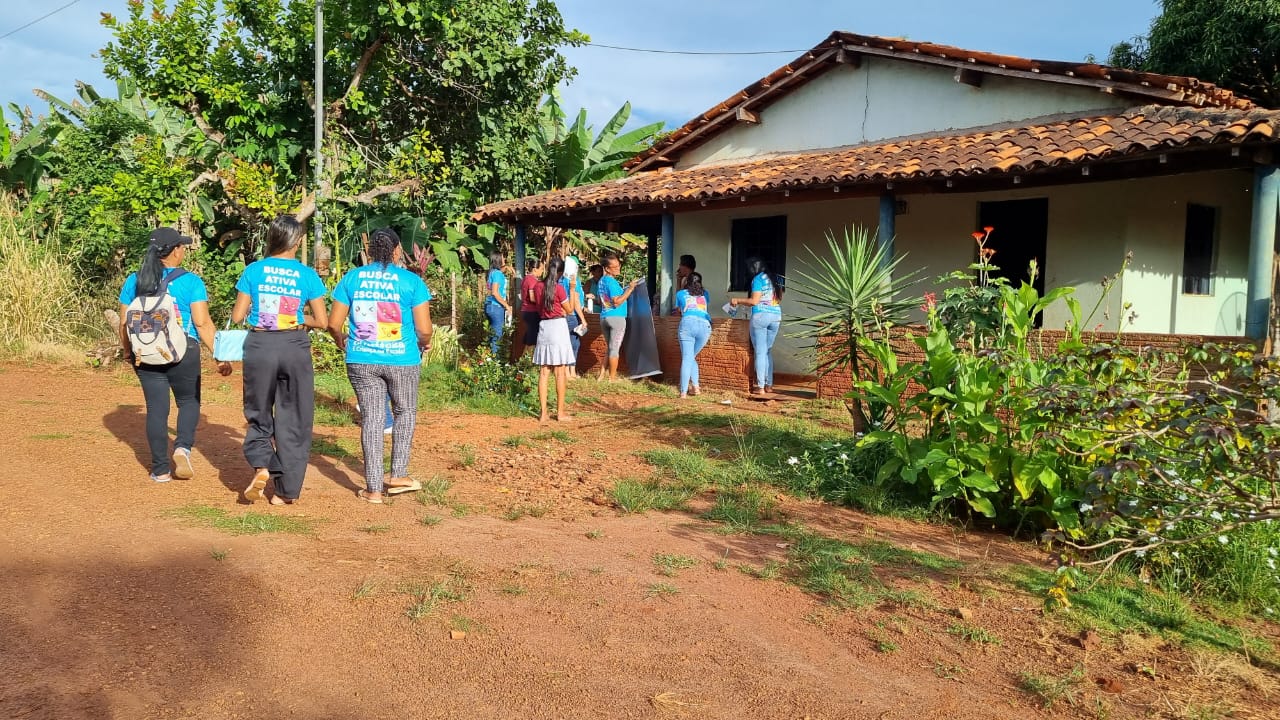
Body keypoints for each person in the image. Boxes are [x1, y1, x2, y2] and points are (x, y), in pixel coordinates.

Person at [118, 227, 232, 483]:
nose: (183, 250)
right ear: (175, 251)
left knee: (156, 411)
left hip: (146, 354)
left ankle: (160, 470)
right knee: (188, 403)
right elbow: (202, 324)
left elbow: (124, 322)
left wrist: (128, 351)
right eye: (181, 246)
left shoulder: (134, 280)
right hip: (184, 352)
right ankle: (182, 448)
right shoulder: (191, 282)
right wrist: (219, 355)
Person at [328, 228, 433, 504]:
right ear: (397, 251)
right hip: (402, 358)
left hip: (361, 359)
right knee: (405, 411)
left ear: (370, 251)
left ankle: (373, 490)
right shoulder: (412, 282)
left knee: (372, 419)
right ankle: (398, 475)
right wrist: (424, 343)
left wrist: (341, 340)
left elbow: (333, 323)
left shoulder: (351, 278)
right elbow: (424, 329)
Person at [230, 215, 329, 505]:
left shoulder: (253, 270)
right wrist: (300, 318)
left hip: (260, 345)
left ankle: (262, 465)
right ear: (297, 242)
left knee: (258, 411)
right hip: (294, 345)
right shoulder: (307, 275)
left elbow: (237, 316)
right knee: (295, 417)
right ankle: (285, 492)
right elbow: (322, 321)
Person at [730, 257, 783, 395]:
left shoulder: (758, 279)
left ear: (753, 268)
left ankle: (760, 387)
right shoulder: (776, 279)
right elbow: (779, 298)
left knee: (760, 351)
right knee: (767, 351)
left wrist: (738, 300)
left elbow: (754, 301)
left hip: (761, 316)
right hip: (776, 316)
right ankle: (769, 385)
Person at [531, 257, 575, 421]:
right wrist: (571, 289)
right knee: (560, 372)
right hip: (558, 327)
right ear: (561, 273)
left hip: (544, 328)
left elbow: (538, 308)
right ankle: (560, 412)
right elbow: (569, 310)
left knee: (544, 372)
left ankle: (543, 414)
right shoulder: (559, 288)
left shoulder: (538, 287)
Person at [596, 253, 640, 381]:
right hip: (617, 318)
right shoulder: (612, 283)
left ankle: (601, 376)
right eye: (614, 267)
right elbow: (617, 301)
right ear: (607, 269)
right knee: (614, 349)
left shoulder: (601, 281)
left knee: (610, 348)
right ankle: (612, 379)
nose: (618, 268)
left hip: (604, 317)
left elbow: (600, 300)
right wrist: (630, 289)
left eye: (618, 265)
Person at [675, 271, 711, 399]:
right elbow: (705, 309)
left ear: (687, 281)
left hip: (687, 324)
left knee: (687, 358)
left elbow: (679, 310)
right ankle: (695, 387)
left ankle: (683, 392)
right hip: (704, 326)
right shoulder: (705, 294)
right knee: (691, 357)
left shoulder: (680, 294)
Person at [560, 256, 587, 378]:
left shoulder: (561, 279)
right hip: (572, 315)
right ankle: (568, 372)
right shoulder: (572, 280)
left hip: (566, 315)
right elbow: (575, 300)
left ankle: (570, 371)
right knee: (572, 344)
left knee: (571, 343)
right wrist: (583, 318)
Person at [484, 251, 511, 356]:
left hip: (489, 306)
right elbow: (495, 292)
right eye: (503, 258)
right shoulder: (498, 274)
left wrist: (506, 268)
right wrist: (506, 305)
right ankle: (496, 362)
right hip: (496, 308)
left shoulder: (492, 272)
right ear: (498, 259)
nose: (504, 260)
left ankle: (488, 358)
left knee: (492, 334)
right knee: (497, 336)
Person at [518, 258, 543, 353]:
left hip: (526, 310)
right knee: (533, 338)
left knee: (530, 335)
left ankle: (525, 359)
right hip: (532, 311)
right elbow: (532, 297)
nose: (542, 271)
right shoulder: (532, 280)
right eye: (541, 269)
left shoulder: (525, 278)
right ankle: (528, 361)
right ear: (535, 269)